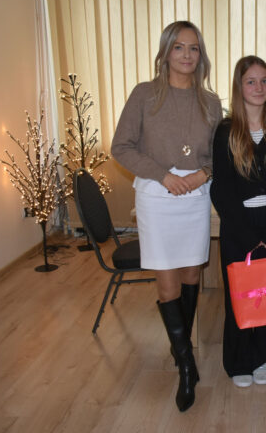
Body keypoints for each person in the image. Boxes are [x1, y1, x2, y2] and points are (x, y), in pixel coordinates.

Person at [111, 21, 222, 412]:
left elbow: (219, 155)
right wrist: (163, 175)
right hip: (157, 197)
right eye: (179, 47)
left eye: (194, 48)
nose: (187, 55)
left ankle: (181, 348)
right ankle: (187, 367)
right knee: (167, 280)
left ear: (201, 55)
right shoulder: (144, 94)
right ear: (166, 52)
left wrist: (202, 174)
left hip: (196, 197)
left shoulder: (211, 102)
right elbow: (121, 147)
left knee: (192, 274)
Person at [210, 56, 266, 388]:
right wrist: (247, 235)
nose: (259, 87)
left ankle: (262, 356)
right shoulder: (226, 132)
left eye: (264, 80)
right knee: (241, 294)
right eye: (251, 81)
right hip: (238, 226)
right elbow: (221, 189)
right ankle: (239, 360)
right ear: (239, 86)